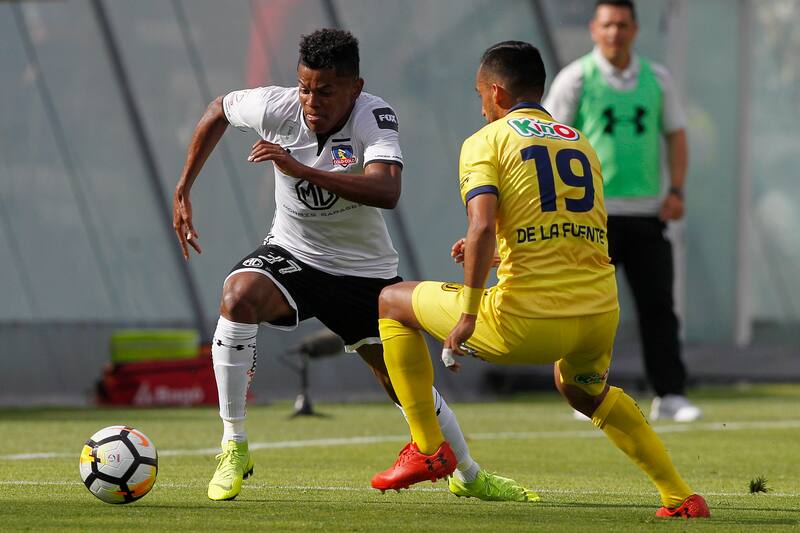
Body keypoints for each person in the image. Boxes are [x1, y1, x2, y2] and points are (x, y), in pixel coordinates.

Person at [173, 28, 531, 503]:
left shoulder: (374, 116)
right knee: (237, 296)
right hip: (293, 254)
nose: (311, 100)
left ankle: (468, 472)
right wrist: (183, 188)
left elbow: (387, 190)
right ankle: (233, 445)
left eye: (325, 90)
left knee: (404, 386)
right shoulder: (275, 107)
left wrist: (301, 171)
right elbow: (218, 108)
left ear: (355, 88)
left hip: (364, 273)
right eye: (304, 87)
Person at [371, 40, 710, 518]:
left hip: (524, 324)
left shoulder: (485, 140)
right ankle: (680, 496)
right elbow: (575, 230)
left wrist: (468, 313)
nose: (482, 107)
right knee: (582, 390)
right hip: (596, 317)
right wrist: (493, 253)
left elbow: (483, 224)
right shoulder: (579, 140)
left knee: (390, 301)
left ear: (496, 92)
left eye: (480, 96)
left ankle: (429, 447)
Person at [543, 0, 701, 422]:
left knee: (658, 306)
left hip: (649, 213)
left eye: (623, 25)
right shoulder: (575, 77)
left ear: (635, 29)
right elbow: (550, 141)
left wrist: (677, 190)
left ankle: (670, 394)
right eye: (608, 25)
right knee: (588, 309)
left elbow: (676, 135)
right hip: (590, 217)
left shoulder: (658, 79)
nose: (615, 32)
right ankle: (583, 391)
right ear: (595, 29)